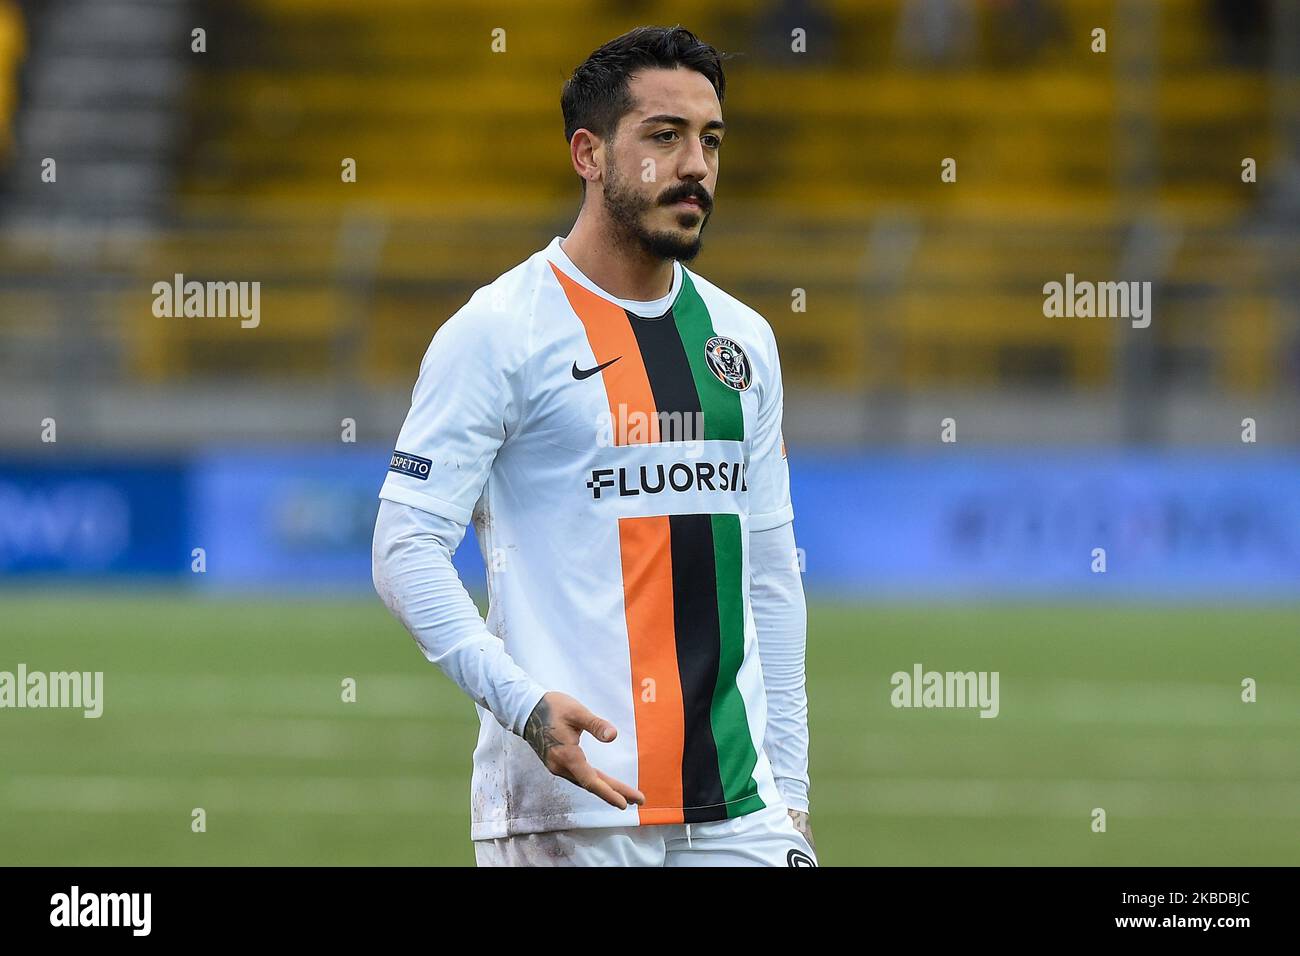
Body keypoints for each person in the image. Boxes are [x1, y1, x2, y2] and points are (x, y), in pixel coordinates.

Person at [372, 25, 814, 867]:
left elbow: (770, 573)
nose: (695, 165)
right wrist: (526, 705)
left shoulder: (743, 340)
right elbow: (404, 543)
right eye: (663, 136)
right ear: (588, 152)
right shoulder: (500, 331)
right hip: (571, 808)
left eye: (710, 140)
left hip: (738, 807)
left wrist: (789, 790)